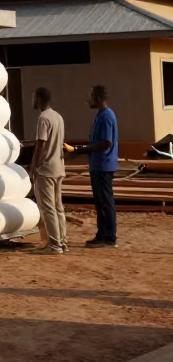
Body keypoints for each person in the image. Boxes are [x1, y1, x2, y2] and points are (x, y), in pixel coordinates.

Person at [29, 87, 68, 255]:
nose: (32, 101)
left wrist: (33, 167)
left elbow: (40, 144)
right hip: (59, 167)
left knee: (48, 208)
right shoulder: (58, 116)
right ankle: (63, 242)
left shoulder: (43, 118)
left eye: (33, 97)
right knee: (58, 207)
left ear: (39, 99)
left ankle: (54, 245)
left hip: (46, 168)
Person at [81, 85, 119, 248]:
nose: (88, 100)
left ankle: (109, 237)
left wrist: (87, 148)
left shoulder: (106, 117)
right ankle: (102, 233)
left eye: (90, 96)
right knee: (100, 201)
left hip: (103, 165)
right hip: (97, 165)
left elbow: (106, 142)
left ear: (97, 98)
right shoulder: (99, 116)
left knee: (105, 201)